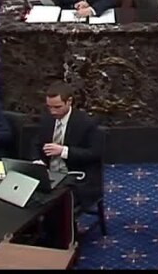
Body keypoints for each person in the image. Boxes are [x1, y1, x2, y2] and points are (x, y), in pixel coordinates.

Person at [33, 82, 103, 228]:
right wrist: (38, 160)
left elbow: (95, 153)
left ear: (69, 101)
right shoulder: (47, 119)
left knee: (54, 201)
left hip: (77, 177)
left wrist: (64, 151)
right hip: (49, 173)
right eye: (49, 107)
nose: (53, 111)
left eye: (57, 107)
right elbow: (36, 144)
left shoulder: (86, 123)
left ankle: (61, 236)